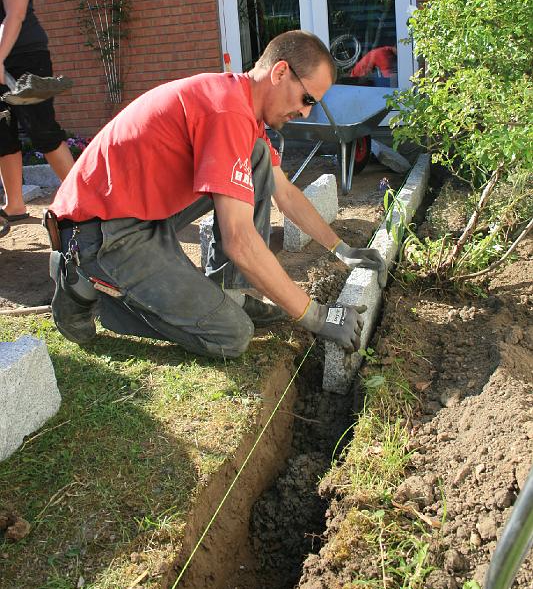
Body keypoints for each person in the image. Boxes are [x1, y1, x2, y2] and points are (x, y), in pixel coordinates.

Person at [45, 30, 386, 358]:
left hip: (138, 213)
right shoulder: (227, 112)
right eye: (307, 99)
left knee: (258, 158)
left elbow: (285, 192)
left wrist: (341, 249)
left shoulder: (241, 110)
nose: (306, 111)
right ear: (281, 72)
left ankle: (227, 290)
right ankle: (85, 287)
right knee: (231, 335)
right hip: (99, 232)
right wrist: (316, 317)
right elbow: (240, 240)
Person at [0, 0, 74, 236]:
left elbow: (14, 16)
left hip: (25, 58)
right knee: (3, 134)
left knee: (42, 130)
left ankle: (82, 198)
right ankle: (15, 205)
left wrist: (0, 57)